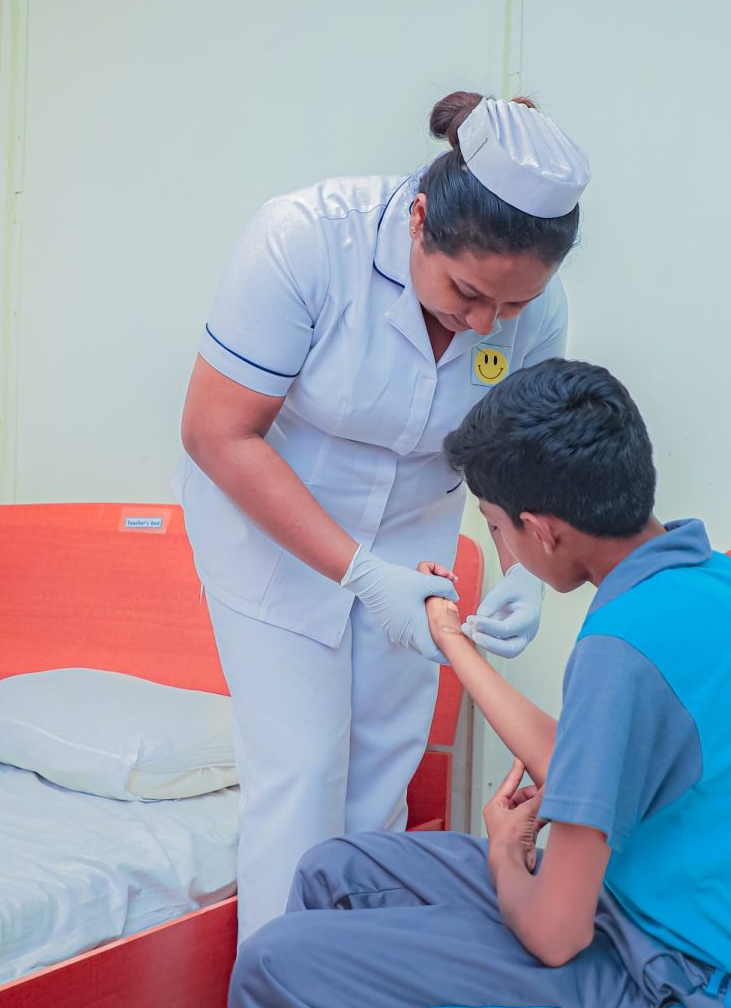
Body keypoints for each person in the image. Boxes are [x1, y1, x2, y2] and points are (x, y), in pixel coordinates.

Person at [226, 359, 731, 1008]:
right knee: (334, 869)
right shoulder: (713, 578)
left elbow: (556, 935)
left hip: (693, 974)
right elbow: (586, 755)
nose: (500, 550)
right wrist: (454, 641)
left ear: (544, 531)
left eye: (495, 529)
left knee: (273, 966)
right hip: (660, 902)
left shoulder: (621, 646)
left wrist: (503, 854)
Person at [180, 93, 591, 943]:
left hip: (415, 538)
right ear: (418, 220)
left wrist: (523, 573)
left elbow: (507, 452)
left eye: (511, 308)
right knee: (303, 770)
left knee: (381, 778)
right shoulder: (303, 239)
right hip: (276, 528)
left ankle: (360, 996)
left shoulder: (533, 308)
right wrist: (360, 573)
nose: (484, 323)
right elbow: (217, 433)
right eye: (467, 291)